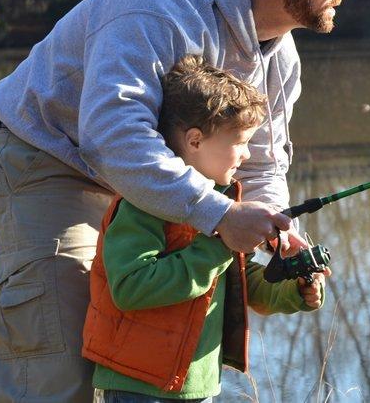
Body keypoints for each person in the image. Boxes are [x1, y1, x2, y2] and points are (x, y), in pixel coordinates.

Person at [0, 0, 370, 402]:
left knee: (156, 360)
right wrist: (217, 214)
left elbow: (262, 162)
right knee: (59, 367)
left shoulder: (280, 57)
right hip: (57, 164)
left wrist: (278, 233)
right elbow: (113, 136)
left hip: (158, 185)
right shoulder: (154, 2)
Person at [84, 57, 326, 402]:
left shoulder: (222, 202)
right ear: (195, 141)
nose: (245, 156)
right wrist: (221, 245)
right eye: (240, 142)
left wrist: (295, 290)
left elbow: (239, 281)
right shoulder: (142, 204)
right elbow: (131, 288)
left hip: (199, 383)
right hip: (138, 384)